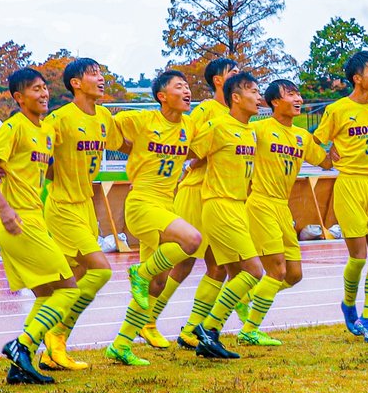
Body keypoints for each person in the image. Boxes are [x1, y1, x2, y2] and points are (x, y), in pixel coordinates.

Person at [0, 69, 78, 385]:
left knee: (46, 293)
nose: (44, 93)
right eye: (36, 89)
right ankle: (21, 345)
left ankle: (21, 365)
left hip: (35, 217)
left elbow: (34, 173)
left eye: (45, 88)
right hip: (19, 221)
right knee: (68, 289)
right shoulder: (14, 128)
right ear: (19, 97)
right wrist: (4, 208)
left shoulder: (46, 132)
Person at [103, 71, 205, 367]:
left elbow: (201, 152)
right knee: (192, 240)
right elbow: (106, 129)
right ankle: (140, 272)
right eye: (179, 86)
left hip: (167, 204)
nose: (186, 91)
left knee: (157, 286)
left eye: (187, 86)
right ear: (162, 96)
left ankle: (121, 344)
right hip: (141, 203)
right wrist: (133, 149)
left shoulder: (189, 126)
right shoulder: (141, 120)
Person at [236, 78, 332, 346]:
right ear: (275, 102)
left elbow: (325, 161)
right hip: (260, 203)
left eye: (299, 94)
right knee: (277, 270)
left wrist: (343, 139)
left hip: (282, 206)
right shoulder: (258, 129)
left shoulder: (302, 136)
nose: (298, 99)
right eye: (291, 94)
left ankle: (246, 296)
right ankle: (250, 329)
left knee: (293, 275)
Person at [184, 71, 269, 358]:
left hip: (238, 205)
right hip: (219, 205)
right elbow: (188, 152)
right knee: (254, 271)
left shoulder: (250, 131)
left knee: (227, 272)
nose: (259, 97)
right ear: (236, 97)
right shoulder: (217, 126)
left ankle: (201, 331)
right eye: (253, 92)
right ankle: (208, 329)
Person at [38, 57, 115, 371]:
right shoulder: (59, 119)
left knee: (71, 280)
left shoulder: (104, 116)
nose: (101, 78)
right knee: (101, 270)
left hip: (86, 205)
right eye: (93, 74)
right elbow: (41, 158)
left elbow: (122, 142)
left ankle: (49, 350)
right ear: (75, 83)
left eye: (101, 73)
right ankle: (56, 335)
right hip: (62, 207)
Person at [314, 50, 368, 342]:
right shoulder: (337, 109)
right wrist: (326, 155)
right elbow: (315, 140)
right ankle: (349, 305)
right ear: (357, 78)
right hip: (348, 185)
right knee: (359, 258)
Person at [171, 58, 241, 349]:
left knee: (218, 265)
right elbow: (188, 147)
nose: (239, 76)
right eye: (233, 73)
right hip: (197, 191)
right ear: (218, 80)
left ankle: (192, 329)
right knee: (182, 261)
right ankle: (145, 320)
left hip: (219, 196)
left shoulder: (238, 114)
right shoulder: (206, 110)